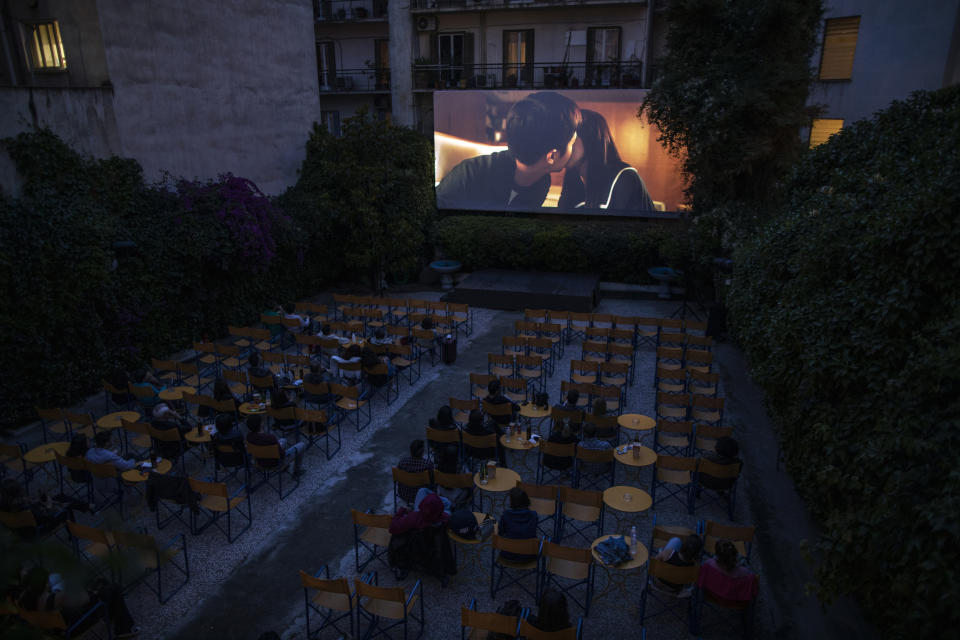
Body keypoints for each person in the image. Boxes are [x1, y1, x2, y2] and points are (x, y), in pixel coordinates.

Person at [436, 91, 582, 210]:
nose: (574, 149)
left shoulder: (542, 183)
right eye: (572, 142)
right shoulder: (469, 174)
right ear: (552, 156)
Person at [558, 108, 654, 212]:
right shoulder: (573, 177)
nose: (563, 144)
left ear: (589, 138)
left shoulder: (624, 176)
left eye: (570, 137)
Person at [17, 565, 140, 638]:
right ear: (44, 583)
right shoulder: (56, 598)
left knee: (101, 585)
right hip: (78, 624)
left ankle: (114, 616)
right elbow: (85, 599)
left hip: (60, 631)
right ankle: (124, 629)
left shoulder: (30, 602)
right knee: (113, 588)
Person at [697, 539, 759, 606]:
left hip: (713, 596)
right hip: (737, 602)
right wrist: (742, 559)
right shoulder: (747, 575)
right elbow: (753, 591)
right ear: (735, 555)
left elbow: (701, 583)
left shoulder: (708, 565)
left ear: (717, 555)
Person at [497, 487, 538, 561]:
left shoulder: (506, 515)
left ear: (512, 502)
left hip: (508, 555)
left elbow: (500, 533)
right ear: (526, 500)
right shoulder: (533, 515)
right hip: (529, 555)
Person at [396, 439, 433, 505]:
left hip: (404, 495)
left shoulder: (402, 462)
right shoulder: (427, 464)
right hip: (421, 496)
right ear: (422, 451)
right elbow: (432, 481)